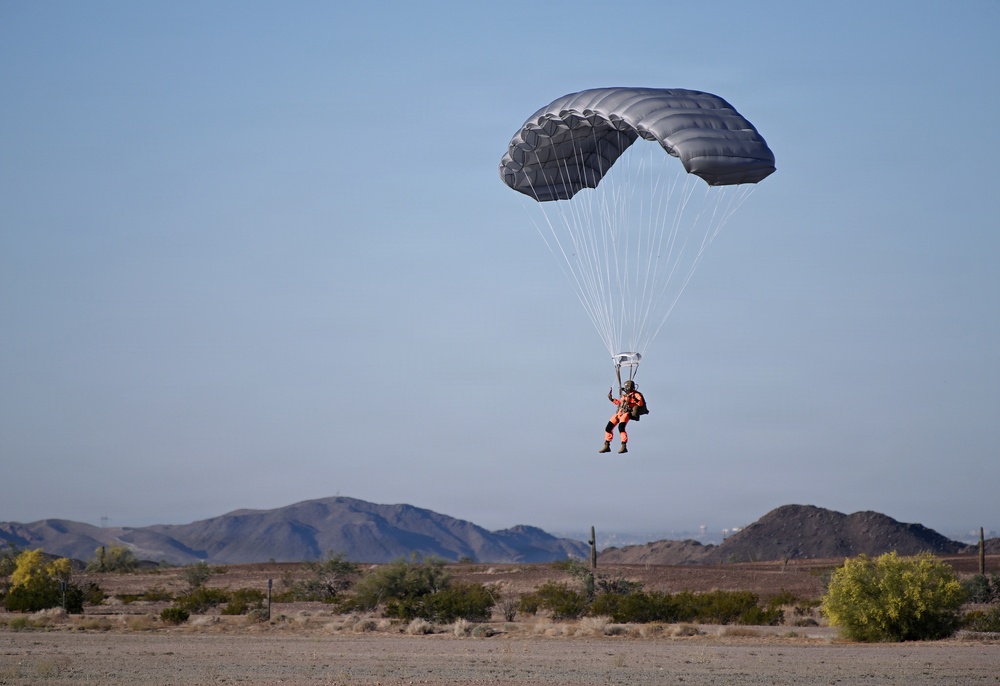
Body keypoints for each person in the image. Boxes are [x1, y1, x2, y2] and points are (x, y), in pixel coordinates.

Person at [599, 379, 646, 454]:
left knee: (621, 428)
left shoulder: (636, 395)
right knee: (608, 428)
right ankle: (607, 445)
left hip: (626, 413)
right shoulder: (625, 396)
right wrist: (612, 399)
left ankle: (624, 445)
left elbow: (640, 403)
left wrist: (634, 398)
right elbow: (620, 403)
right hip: (619, 412)